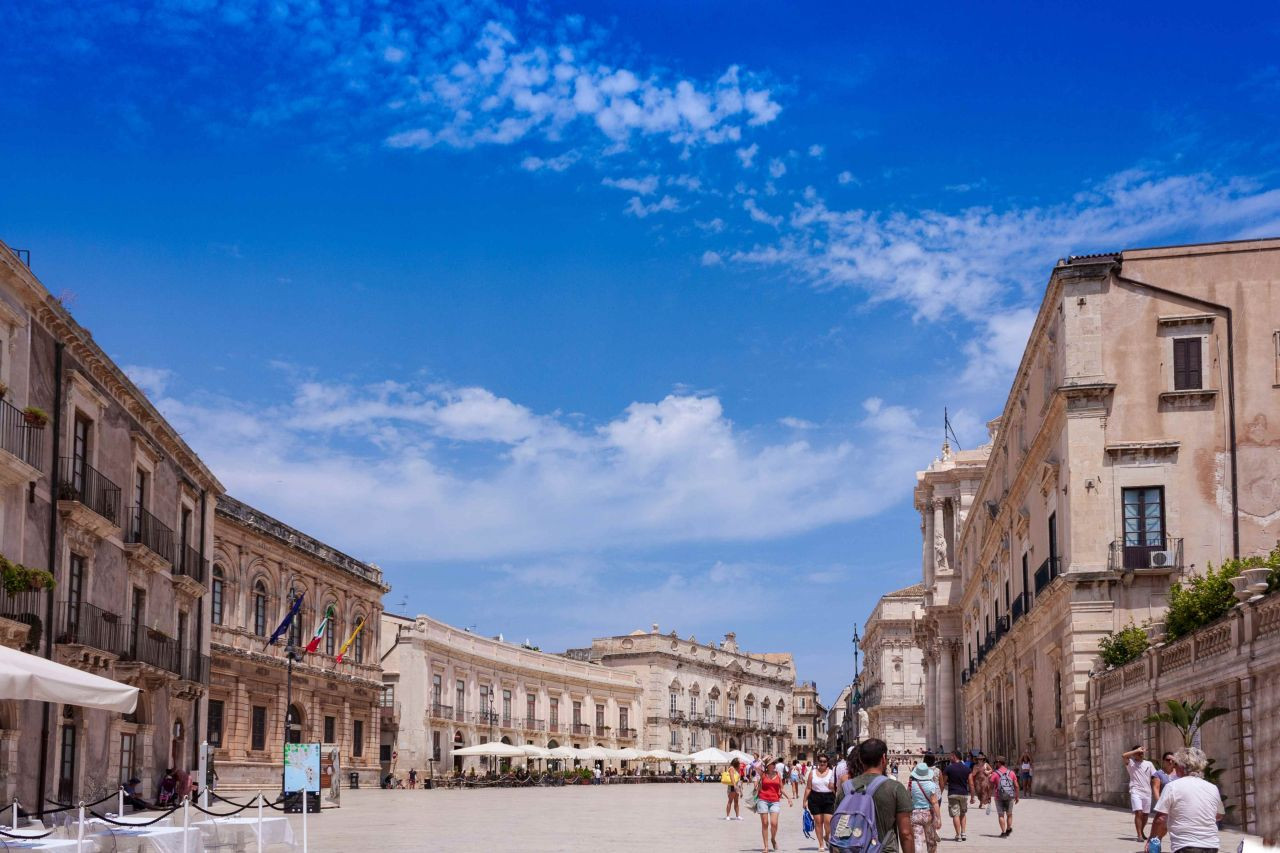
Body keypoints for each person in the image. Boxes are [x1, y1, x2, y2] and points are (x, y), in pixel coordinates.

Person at [843, 738, 914, 853]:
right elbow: (906, 833)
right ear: (884, 758)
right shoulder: (895, 787)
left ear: (860, 759)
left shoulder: (845, 788)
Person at [1150, 747, 1223, 853]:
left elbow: (1160, 819)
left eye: (1176, 764)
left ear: (1181, 767)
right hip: (1211, 846)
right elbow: (1219, 815)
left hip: (1185, 845)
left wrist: (1152, 839)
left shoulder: (1172, 787)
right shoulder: (1213, 788)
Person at [753, 756, 793, 853]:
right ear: (768, 765)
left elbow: (781, 789)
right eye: (772, 763)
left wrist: (789, 798)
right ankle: (766, 846)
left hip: (775, 801)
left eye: (774, 763)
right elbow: (755, 766)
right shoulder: (763, 774)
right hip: (763, 800)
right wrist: (764, 759)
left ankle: (773, 838)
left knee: (774, 823)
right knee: (765, 823)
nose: (774, 765)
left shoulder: (778, 775)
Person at [1123, 744, 1162, 841]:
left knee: (1145, 814)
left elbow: (1155, 777)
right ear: (1134, 754)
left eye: (1142, 753)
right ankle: (1139, 835)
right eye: (1138, 753)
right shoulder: (1131, 763)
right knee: (1138, 812)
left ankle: (1141, 830)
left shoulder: (1149, 764)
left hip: (1147, 792)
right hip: (1135, 790)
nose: (1140, 755)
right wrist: (1136, 750)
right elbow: (1124, 755)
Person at [803, 753, 837, 852]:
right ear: (818, 762)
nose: (822, 763)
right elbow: (808, 787)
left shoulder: (831, 772)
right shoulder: (812, 773)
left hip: (829, 798)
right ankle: (821, 844)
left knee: (828, 822)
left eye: (824, 762)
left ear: (827, 763)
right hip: (815, 798)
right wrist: (804, 800)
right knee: (818, 822)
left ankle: (827, 836)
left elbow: (835, 787)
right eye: (820, 761)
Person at [907, 761, 942, 853]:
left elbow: (908, 798)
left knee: (917, 840)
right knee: (931, 841)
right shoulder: (931, 785)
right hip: (928, 814)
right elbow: (935, 803)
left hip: (915, 814)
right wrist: (939, 818)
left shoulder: (911, 784)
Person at [942, 751, 971, 842]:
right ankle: (963, 833)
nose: (950, 758)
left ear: (954, 756)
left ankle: (958, 835)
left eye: (951, 756)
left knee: (955, 814)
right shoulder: (966, 769)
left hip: (953, 793)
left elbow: (943, 782)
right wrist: (973, 796)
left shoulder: (948, 768)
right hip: (964, 794)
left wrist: (940, 792)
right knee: (963, 813)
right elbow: (971, 783)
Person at [989, 756, 1020, 837]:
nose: (995, 764)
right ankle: (1008, 829)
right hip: (1010, 796)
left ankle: (1003, 833)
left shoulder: (995, 774)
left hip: (998, 796)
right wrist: (1017, 796)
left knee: (1001, 815)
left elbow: (991, 786)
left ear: (999, 763)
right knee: (1009, 814)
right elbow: (1016, 786)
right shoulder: (1012, 773)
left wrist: (989, 796)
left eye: (996, 762)